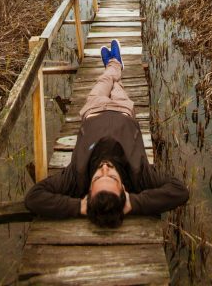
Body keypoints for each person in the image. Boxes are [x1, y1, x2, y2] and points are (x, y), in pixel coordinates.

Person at [25, 40, 189, 228]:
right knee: (116, 84)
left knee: (104, 81)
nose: (104, 168)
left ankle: (113, 65)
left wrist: (80, 206)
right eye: (111, 177)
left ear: (87, 191)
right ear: (124, 189)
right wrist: (134, 204)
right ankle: (115, 65)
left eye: (97, 178)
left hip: (94, 108)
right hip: (122, 110)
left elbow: (34, 198)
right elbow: (179, 191)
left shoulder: (75, 177)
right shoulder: (139, 175)